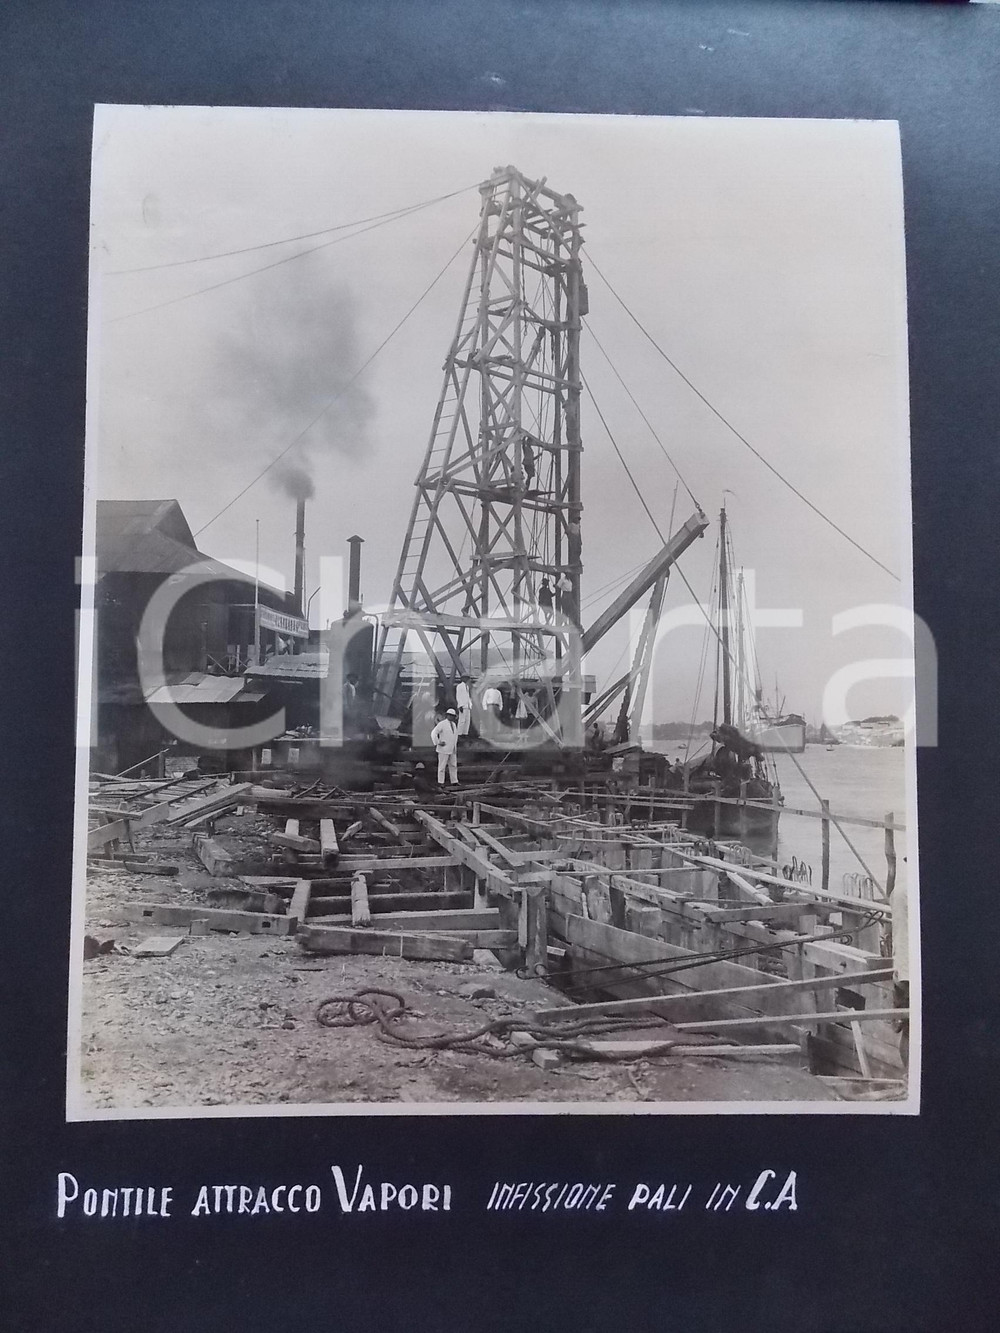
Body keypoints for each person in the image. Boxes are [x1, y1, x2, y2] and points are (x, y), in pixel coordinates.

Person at [430, 708, 460, 786]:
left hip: (452, 748)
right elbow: (433, 733)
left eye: (452, 716)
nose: (451, 717)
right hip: (444, 749)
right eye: (450, 715)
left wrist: (454, 746)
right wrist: (438, 742)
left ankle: (454, 781)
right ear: (447, 715)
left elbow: (454, 736)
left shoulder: (454, 725)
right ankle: (441, 782)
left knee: (453, 765)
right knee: (442, 766)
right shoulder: (442, 724)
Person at [455, 674, 472, 738]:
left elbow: (468, 696)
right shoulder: (459, 686)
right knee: (462, 720)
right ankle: (459, 734)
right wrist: (460, 706)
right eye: (466, 678)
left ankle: (465, 733)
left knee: (467, 720)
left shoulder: (467, 687)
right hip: (463, 706)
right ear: (462, 679)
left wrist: (470, 705)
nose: (467, 680)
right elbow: (458, 696)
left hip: (467, 706)